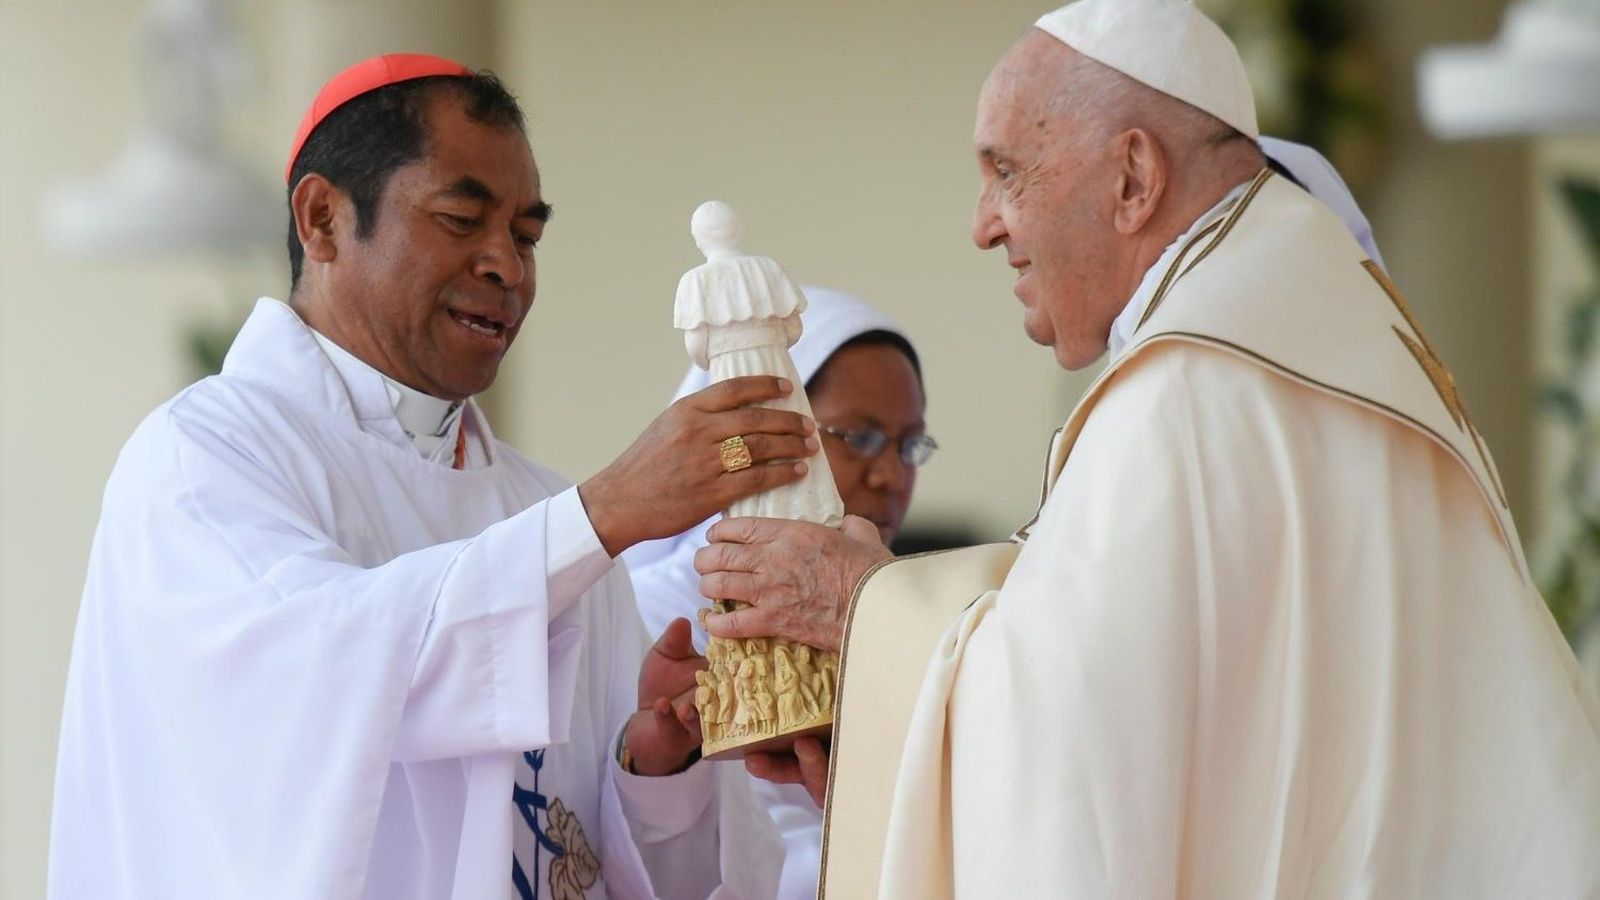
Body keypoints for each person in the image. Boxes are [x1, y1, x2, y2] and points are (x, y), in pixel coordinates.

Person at [694, 1, 1600, 896]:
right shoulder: (1304, 327)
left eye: (1007, 172)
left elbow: (1078, 767)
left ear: (1133, 177)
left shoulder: (1192, 391)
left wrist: (860, 605)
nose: (984, 224)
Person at [48, 54, 811, 900]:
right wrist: (605, 511)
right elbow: (322, 681)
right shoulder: (204, 457)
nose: (507, 268)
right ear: (324, 219)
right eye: (461, 220)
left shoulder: (536, 507)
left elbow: (613, 863)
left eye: (526, 236)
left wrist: (654, 767)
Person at [626, 286, 930, 900]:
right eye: (861, 438)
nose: (891, 475)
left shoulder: (892, 607)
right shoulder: (648, 618)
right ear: (759, 435)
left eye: (909, 444)